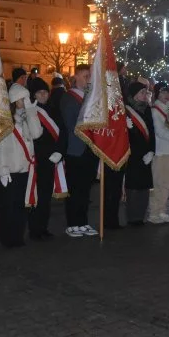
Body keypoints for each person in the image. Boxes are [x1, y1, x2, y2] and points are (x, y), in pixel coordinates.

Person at [0, 84, 42, 247]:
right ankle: (8, 239)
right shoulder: (5, 120)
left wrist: (31, 112)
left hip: (26, 169)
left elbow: (37, 133)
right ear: (15, 100)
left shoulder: (27, 117)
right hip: (10, 170)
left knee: (22, 205)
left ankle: (18, 237)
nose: (26, 100)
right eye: (23, 98)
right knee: (9, 207)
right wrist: (2, 171)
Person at [60, 64, 98, 237]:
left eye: (89, 76)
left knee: (85, 189)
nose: (88, 79)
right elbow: (70, 123)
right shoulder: (69, 98)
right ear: (76, 77)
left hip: (90, 149)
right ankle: (72, 224)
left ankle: (83, 222)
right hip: (76, 149)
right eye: (85, 75)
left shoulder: (91, 97)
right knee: (75, 189)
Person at [28, 77, 67, 240]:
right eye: (39, 93)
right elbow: (33, 139)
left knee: (45, 196)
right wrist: (47, 154)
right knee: (35, 195)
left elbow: (63, 133)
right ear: (34, 95)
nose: (43, 95)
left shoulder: (54, 109)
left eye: (45, 92)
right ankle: (34, 229)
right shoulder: (31, 112)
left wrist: (59, 152)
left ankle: (43, 227)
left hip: (53, 159)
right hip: (38, 159)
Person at [124, 82, 155, 226]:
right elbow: (125, 137)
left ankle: (141, 215)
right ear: (134, 94)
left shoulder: (147, 110)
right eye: (142, 93)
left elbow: (152, 132)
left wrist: (151, 151)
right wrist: (130, 129)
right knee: (133, 185)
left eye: (145, 93)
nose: (144, 95)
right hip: (133, 154)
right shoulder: (127, 110)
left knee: (144, 185)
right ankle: (132, 217)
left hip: (146, 154)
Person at [148, 83, 169, 224]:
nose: (165, 95)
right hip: (160, 150)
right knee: (158, 182)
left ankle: (162, 210)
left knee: (166, 183)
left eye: (167, 92)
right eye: (162, 93)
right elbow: (159, 131)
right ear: (157, 95)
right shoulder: (155, 111)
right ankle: (154, 212)